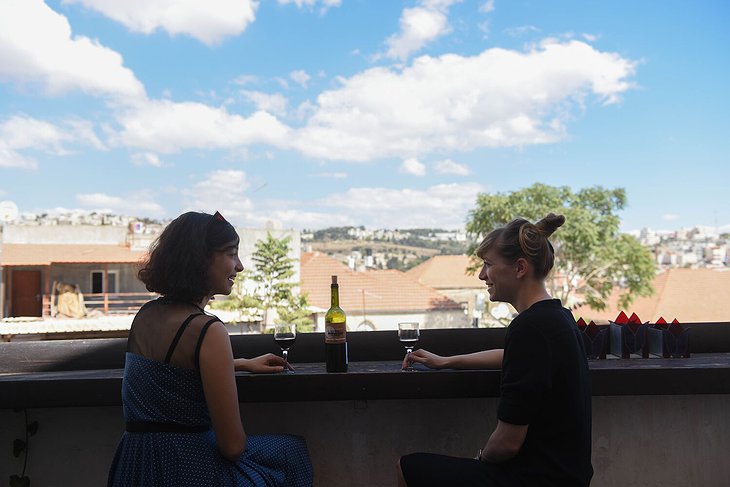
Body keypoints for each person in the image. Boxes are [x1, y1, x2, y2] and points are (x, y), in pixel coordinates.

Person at [108, 211, 313, 487]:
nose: (239, 266)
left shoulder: (145, 316)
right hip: (186, 469)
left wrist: (238, 363)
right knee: (291, 451)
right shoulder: (206, 329)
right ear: (200, 259)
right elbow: (233, 446)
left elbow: (174, 372)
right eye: (231, 254)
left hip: (136, 466)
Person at [397, 213, 593, 487]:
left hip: (535, 479)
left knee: (408, 467)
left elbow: (507, 443)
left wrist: (480, 460)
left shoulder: (530, 328)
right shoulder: (557, 318)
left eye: (488, 264)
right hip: (567, 475)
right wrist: (446, 361)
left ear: (520, 268)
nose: (482, 275)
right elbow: (515, 358)